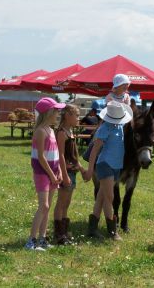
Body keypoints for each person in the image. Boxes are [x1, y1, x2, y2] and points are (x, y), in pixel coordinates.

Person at [83, 101, 133, 241]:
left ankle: (92, 229)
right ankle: (112, 231)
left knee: (101, 197)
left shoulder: (120, 126)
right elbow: (95, 150)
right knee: (110, 197)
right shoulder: (104, 128)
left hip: (116, 166)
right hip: (104, 164)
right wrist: (90, 168)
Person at [25, 97, 65, 251]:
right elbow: (41, 157)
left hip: (53, 172)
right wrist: (51, 174)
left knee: (47, 207)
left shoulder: (51, 130)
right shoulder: (40, 131)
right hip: (43, 172)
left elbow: (54, 153)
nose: (58, 114)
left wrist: (59, 171)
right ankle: (31, 240)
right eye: (56, 111)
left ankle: (42, 239)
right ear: (48, 113)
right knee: (44, 205)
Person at [53, 104, 85, 245]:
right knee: (61, 202)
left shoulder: (70, 132)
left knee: (67, 203)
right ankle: (59, 234)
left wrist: (81, 168)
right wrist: (64, 175)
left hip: (73, 172)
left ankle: (64, 230)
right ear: (67, 116)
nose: (78, 118)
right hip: (65, 172)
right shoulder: (61, 133)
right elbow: (60, 154)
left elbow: (73, 155)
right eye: (76, 115)